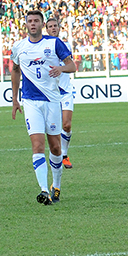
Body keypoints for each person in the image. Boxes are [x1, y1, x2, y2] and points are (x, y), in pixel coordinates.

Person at [10, 10, 76, 205]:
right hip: (30, 102)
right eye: (29, 21)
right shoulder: (19, 47)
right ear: (26, 24)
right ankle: (44, 190)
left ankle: (56, 185)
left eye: (36, 21)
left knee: (55, 147)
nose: (33, 24)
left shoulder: (54, 43)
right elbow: (15, 71)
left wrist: (61, 68)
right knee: (37, 145)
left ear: (41, 24)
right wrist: (15, 99)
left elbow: (72, 66)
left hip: (52, 101)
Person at [45, 18, 74, 168]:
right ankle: (56, 156)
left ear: (59, 28)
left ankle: (64, 155)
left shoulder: (66, 46)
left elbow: (72, 67)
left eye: (55, 26)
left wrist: (60, 69)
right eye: (50, 26)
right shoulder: (42, 47)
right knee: (53, 128)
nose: (53, 28)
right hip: (51, 94)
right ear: (46, 29)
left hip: (66, 91)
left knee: (67, 125)